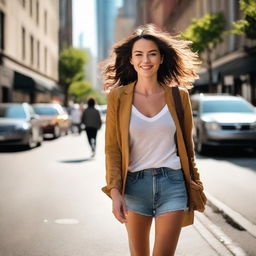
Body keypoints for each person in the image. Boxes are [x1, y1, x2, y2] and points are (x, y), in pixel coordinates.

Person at [101, 23, 204, 256]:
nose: (145, 60)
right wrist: (114, 191)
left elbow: (187, 148)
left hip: (173, 184)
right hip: (134, 185)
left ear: (160, 58)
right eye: (139, 54)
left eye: (152, 53)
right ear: (130, 60)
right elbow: (112, 149)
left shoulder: (179, 96)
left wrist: (195, 184)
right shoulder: (118, 97)